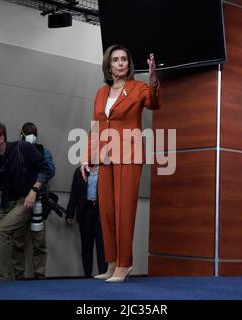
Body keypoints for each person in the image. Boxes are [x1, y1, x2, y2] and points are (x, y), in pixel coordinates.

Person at [81, 44, 161, 282]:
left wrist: (154, 80)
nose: (120, 64)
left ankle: (125, 264)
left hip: (129, 154)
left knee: (124, 210)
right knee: (106, 211)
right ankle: (112, 262)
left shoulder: (138, 88)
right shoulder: (100, 93)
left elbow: (154, 103)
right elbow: (95, 127)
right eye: (115, 60)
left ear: (129, 64)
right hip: (105, 156)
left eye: (124, 59)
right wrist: (87, 156)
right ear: (108, 65)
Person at [0, 121, 49, 281]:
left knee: (1, 232)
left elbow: (45, 168)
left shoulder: (22, 148)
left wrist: (34, 191)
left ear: (1, 139)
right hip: (5, 204)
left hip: (24, 201)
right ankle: (4, 279)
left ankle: (7, 281)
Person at [12, 122, 55, 280]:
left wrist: (37, 161)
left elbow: (50, 171)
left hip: (38, 200)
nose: (32, 134)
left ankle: (40, 273)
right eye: (29, 132)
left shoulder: (44, 151)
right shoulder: (16, 150)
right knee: (18, 239)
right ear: (21, 134)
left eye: (34, 132)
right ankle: (18, 273)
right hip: (20, 200)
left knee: (39, 241)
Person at [66, 165, 107, 278]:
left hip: (101, 211)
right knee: (86, 246)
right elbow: (74, 192)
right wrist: (70, 213)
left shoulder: (105, 170)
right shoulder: (80, 171)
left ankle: (103, 274)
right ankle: (87, 276)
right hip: (85, 211)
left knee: (102, 246)